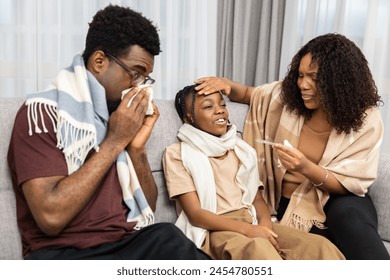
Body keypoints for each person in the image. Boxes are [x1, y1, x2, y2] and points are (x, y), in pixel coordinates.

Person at [7, 5, 209, 260]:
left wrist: (135, 149)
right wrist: (115, 141)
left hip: (126, 245)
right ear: (99, 62)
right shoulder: (41, 114)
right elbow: (51, 217)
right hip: (66, 256)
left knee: (167, 236)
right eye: (135, 74)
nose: (138, 87)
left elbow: (148, 208)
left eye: (145, 78)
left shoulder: (116, 119)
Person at [194, 33, 389, 260]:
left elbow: (351, 183)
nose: (302, 84)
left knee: (349, 217)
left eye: (314, 78)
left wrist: (306, 167)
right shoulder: (285, 100)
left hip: (338, 198)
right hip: (290, 205)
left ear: (338, 80)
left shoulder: (365, 119)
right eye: (300, 75)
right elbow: (252, 95)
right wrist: (227, 85)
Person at [162, 84, 345, 260]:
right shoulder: (178, 154)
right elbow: (195, 214)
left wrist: (265, 228)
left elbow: (257, 200)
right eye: (208, 106)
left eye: (222, 104)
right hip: (215, 230)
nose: (220, 110)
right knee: (259, 250)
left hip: (252, 221)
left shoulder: (241, 149)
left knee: (320, 247)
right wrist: (249, 231)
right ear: (188, 117)